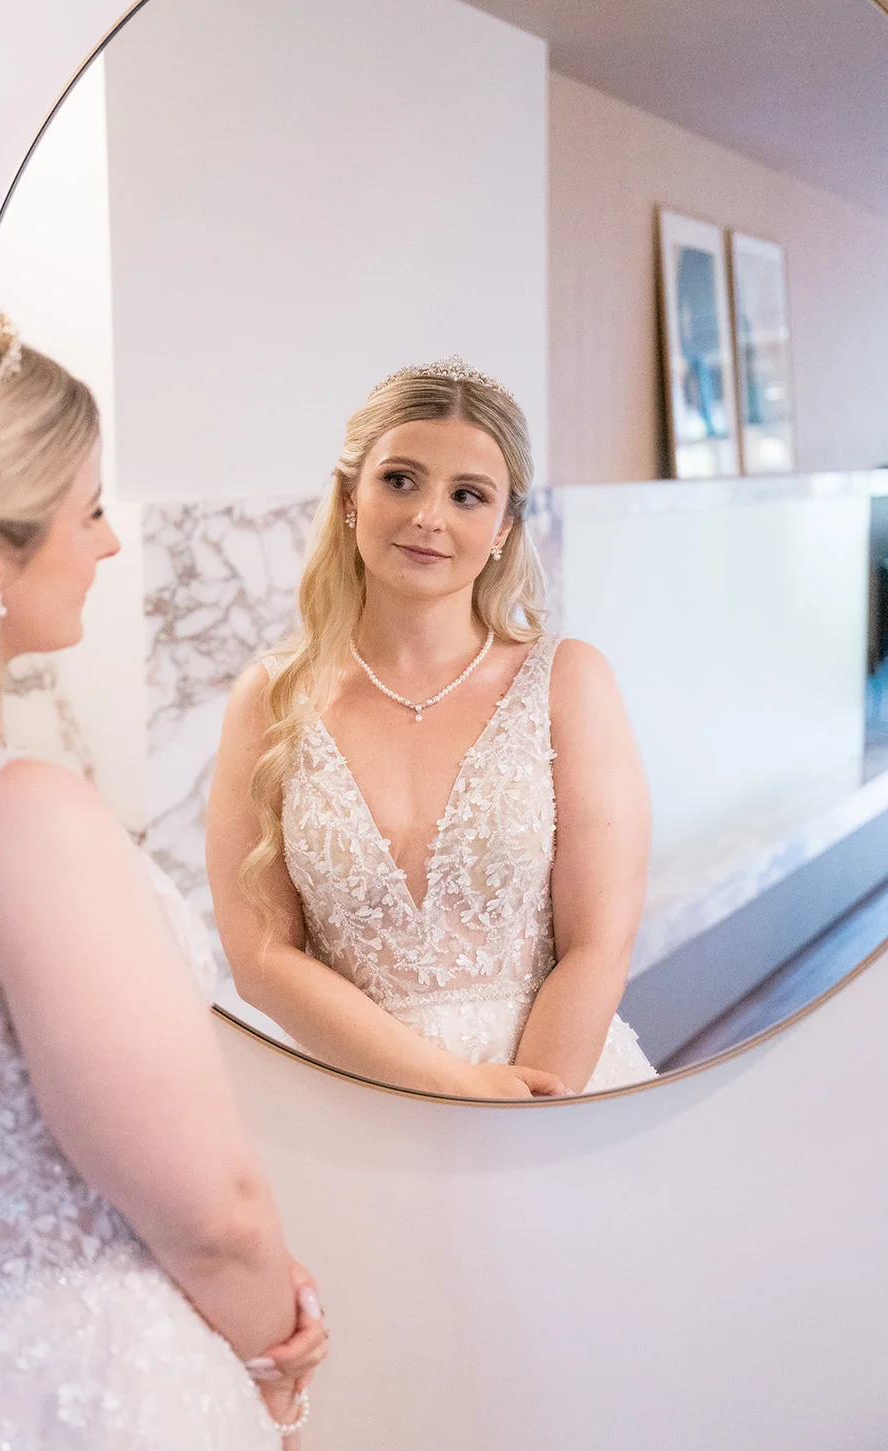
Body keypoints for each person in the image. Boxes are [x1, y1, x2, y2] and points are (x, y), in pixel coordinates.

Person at [0, 314, 326, 1451]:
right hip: (90, 1416)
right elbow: (213, 1211)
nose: (107, 542)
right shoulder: (19, 814)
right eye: (87, 507)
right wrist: (272, 1366)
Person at [208, 356, 656, 1100]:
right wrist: (448, 1089)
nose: (428, 517)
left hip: (552, 1090)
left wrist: (527, 1111)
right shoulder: (269, 698)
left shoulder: (567, 682)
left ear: (504, 525)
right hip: (354, 1101)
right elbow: (261, 955)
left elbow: (597, 944)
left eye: (467, 495)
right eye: (400, 480)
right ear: (350, 496)